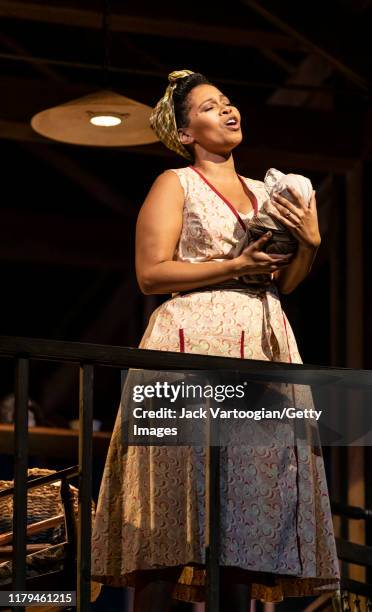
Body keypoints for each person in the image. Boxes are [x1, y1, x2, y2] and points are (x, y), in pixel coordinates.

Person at [91, 69, 340, 611]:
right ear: (186, 133)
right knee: (172, 506)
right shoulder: (174, 182)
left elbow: (285, 283)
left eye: (228, 102)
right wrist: (234, 264)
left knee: (247, 512)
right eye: (209, 107)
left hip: (261, 335)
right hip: (190, 339)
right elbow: (151, 274)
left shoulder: (267, 191)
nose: (227, 111)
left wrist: (311, 245)